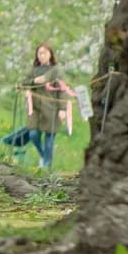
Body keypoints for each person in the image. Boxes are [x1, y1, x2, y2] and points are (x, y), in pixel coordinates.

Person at [16, 44, 74, 173]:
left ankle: (46, 166)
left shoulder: (57, 70)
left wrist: (62, 108)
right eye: (40, 53)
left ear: (50, 54)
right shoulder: (33, 70)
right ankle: (43, 155)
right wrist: (34, 81)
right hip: (35, 108)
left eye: (45, 53)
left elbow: (63, 89)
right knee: (33, 134)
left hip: (52, 108)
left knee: (49, 137)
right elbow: (23, 82)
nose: (42, 55)